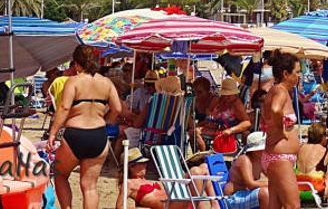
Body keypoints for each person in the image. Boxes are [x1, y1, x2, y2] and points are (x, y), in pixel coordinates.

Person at [48, 44, 122, 209]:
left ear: (76, 63)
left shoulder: (73, 81)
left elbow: (64, 108)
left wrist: (53, 133)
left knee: (60, 175)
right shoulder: (107, 82)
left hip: (75, 134)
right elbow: (117, 108)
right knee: (90, 186)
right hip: (98, 134)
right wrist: (107, 120)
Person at [263, 51, 302, 209]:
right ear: (286, 73)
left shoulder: (276, 90)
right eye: (297, 72)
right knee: (293, 206)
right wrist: (280, 129)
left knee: (276, 205)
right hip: (280, 157)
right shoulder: (280, 91)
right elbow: (275, 109)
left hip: (276, 156)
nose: (299, 76)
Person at [117, 147, 216, 209]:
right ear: (131, 167)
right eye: (141, 163)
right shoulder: (128, 183)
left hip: (177, 198)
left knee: (204, 167)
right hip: (170, 205)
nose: (145, 165)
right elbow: (119, 206)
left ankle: (215, 204)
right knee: (195, 171)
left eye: (145, 162)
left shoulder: (145, 180)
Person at [197, 77, 252, 151]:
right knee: (193, 132)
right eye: (225, 94)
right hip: (215, 128)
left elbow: (247, 122)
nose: (226, 97)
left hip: (227, 131)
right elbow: (210, 115)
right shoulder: (219, 100)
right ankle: (201, 155)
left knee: (196, 132)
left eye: (229, 95)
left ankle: (204, 156)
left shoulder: (237, 104)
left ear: (234, 94)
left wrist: (231, 130)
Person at [225, 132, 270, 209]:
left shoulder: (259, 159)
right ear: (255, 150)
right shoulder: (244, 160)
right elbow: (250, 184)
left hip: (246, 194)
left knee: (278, 191)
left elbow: (271, 176)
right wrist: (272, 183)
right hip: (234, 197)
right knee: (265, 193)